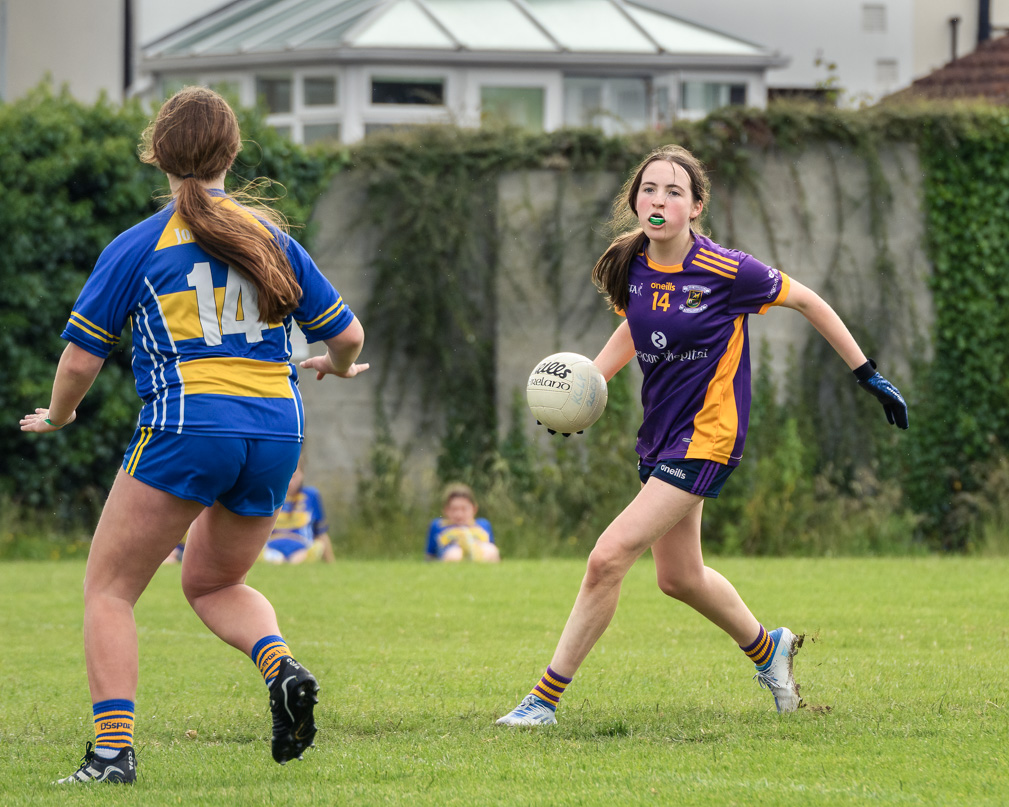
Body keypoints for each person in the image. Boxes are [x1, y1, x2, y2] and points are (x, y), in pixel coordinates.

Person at [20, 86, 369, 783]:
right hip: (276, 430)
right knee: (212, 581)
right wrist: (334, 366)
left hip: (189, 424)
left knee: (110, 589)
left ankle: (112, 753)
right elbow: (349, 333)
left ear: (157, 152)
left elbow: (81, 358)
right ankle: (281, 666)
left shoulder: (139, 244)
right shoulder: (270, 235)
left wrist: (60, 414)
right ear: (232, 153)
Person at [496, 144, 908, 727]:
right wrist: (583, 390)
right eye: (649, 189)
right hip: (660, 436)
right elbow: (637, 330)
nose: (658, 200)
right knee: (680, 579)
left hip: (709, 437)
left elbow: (810, 301)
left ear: (695, 206)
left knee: (607, 558)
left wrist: (868, 374)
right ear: (634, 199)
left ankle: (542, 702)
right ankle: (772, 648)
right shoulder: (631, 261)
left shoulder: (729, 270)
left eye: (673, 191)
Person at [261, 453, 335, 564]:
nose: (289, 483)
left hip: (302, 546)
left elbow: (321, 533)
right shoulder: (267, 496)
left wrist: (331, 562)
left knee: (317, 546)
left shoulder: (311, 495)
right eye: (284, 477)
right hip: (272, 546)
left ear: (302, 475)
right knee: (270, 557)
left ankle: (296, 560)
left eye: (293, 477)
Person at [425, 483, 500, 563]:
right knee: (454, 555)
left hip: (480, 551)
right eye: (454, 509)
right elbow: (430, 557)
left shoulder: (483, 524)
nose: (459, 515)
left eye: (464, 509)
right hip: (452, 552)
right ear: (445, 510)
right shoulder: (438, 525)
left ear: (474, 509)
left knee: (491, 550)